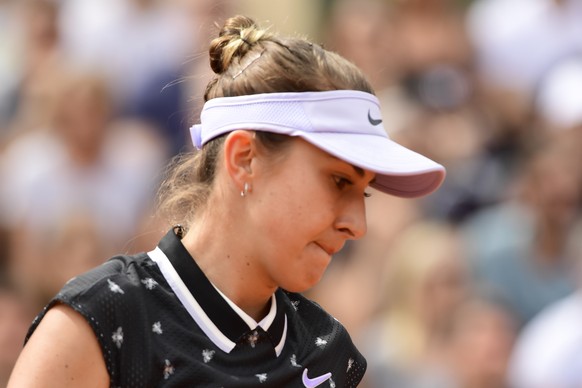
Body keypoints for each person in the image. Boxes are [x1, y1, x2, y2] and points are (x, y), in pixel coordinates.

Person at [7, 15, 445, 387]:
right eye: (337, 181)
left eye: (363, 190)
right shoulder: (100, 322)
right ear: (244, 159)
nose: (358, 224)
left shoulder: (328, 351)